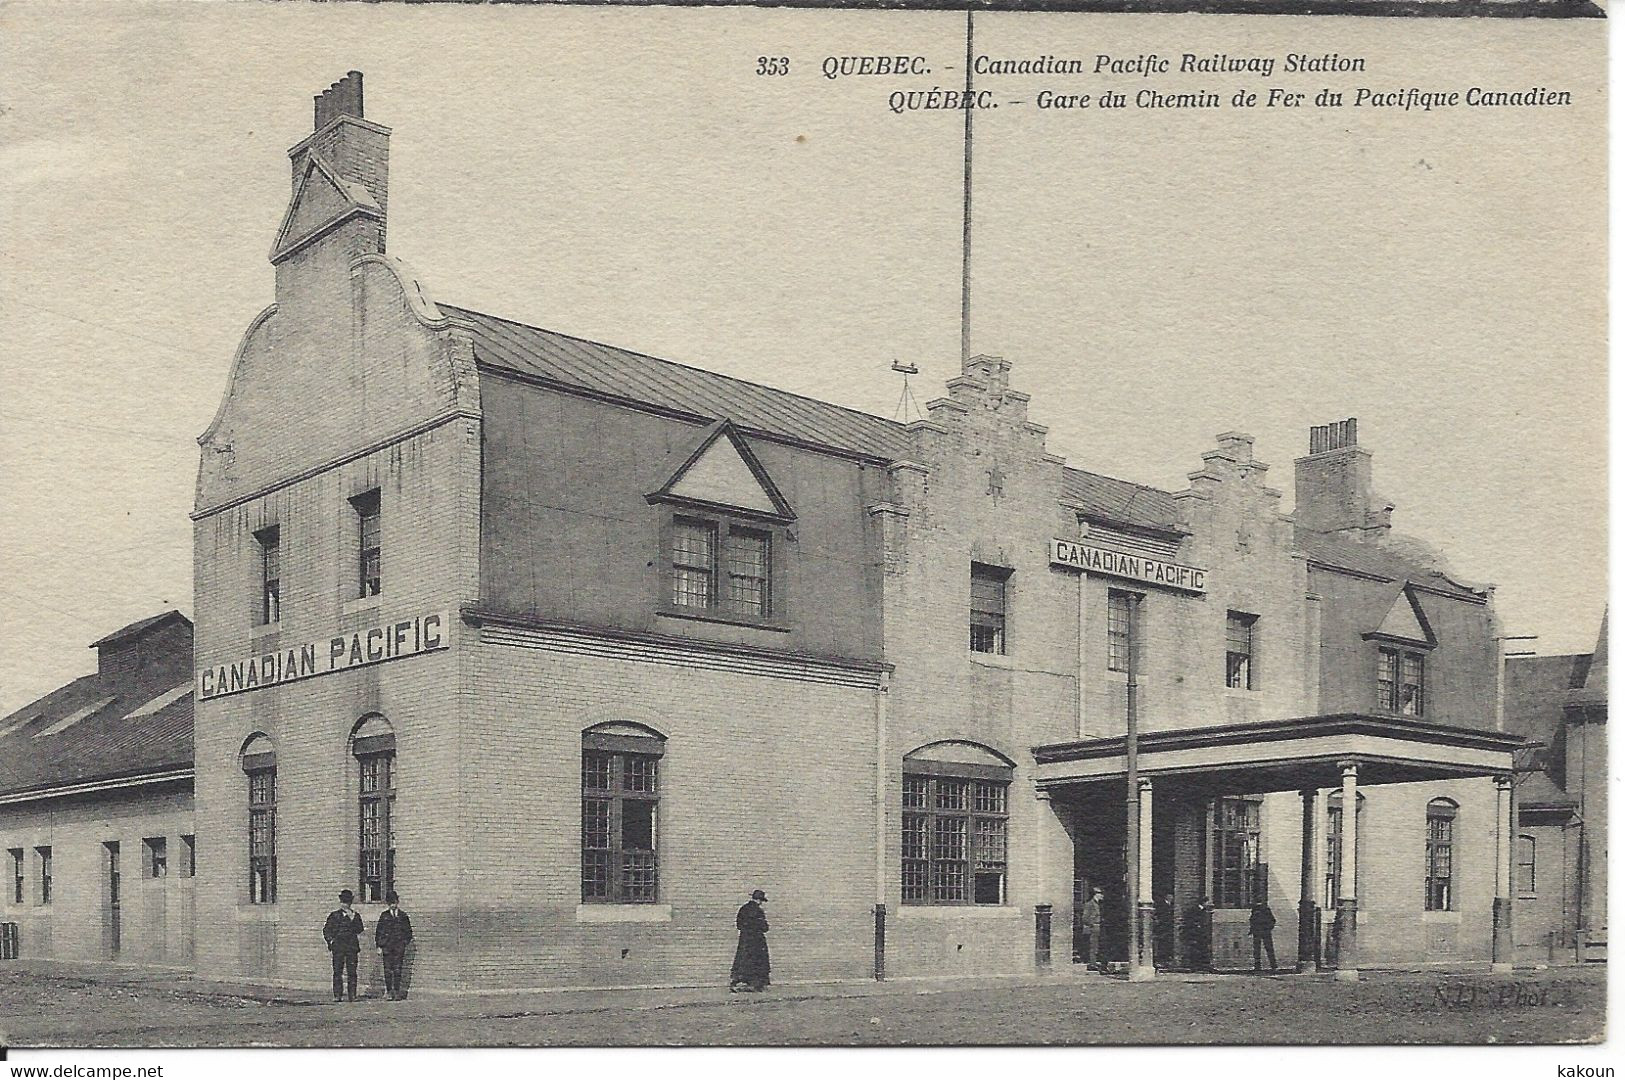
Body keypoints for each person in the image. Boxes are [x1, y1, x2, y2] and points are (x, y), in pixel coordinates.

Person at [323, 889, 365, 1001]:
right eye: (343, 902)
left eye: (347, 902)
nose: (345, 905)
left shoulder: (355, 915)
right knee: (337, 971)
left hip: (351, 947)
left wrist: (352, 918)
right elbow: (326, 930)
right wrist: (331, 941)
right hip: (338, 947)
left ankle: (352, 995)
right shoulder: (334, 916)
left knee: (352, 972)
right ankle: (337, 995)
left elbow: (359, 929)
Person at [375, 890, 414, 1000]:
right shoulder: (384, 916)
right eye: (390, 903)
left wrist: (403, 943)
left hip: (398, 947)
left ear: (397, 902)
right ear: (388, 904)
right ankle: (388, 991)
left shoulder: (403, 916)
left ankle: (396, 991)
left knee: (397, 969)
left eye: (394, 902)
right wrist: (379, 946)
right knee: (387, 970)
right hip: (387, 947)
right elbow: (379, 932)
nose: (393, 905)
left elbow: (408, 932)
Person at [730, 889, 771, 992]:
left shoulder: (743, 909)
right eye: (761, 901)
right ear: (759, 900)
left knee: (743, 959)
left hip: (745, 939)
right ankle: (756, 983)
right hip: (757, 940)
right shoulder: (758, 911)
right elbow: (764, 927)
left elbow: (739, 925)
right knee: (758, 960)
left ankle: (737, 981)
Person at [1075, 886, 1102, 970]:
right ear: (1095, 894)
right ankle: (1092, 964)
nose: (1102, 895)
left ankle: (1095, 962)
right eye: (1100, 893)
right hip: (1093, 928)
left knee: (1097, 946)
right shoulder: (1089, 904)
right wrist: (1092, 924)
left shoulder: (1098, 904)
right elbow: (1085, 918)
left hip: (1098, 927)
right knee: (1093, 946)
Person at [1250, 898, 1279, 973]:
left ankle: (1273, 965)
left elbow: (1272, 920)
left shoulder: (1265, 910)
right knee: (1257, 950)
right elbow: (1252, 920)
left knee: (1268, 949)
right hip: (1257, 932)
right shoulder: (1255, 909)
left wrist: (1268, 928)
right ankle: (1258, 966)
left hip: (1265, 931)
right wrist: (1252, 929)